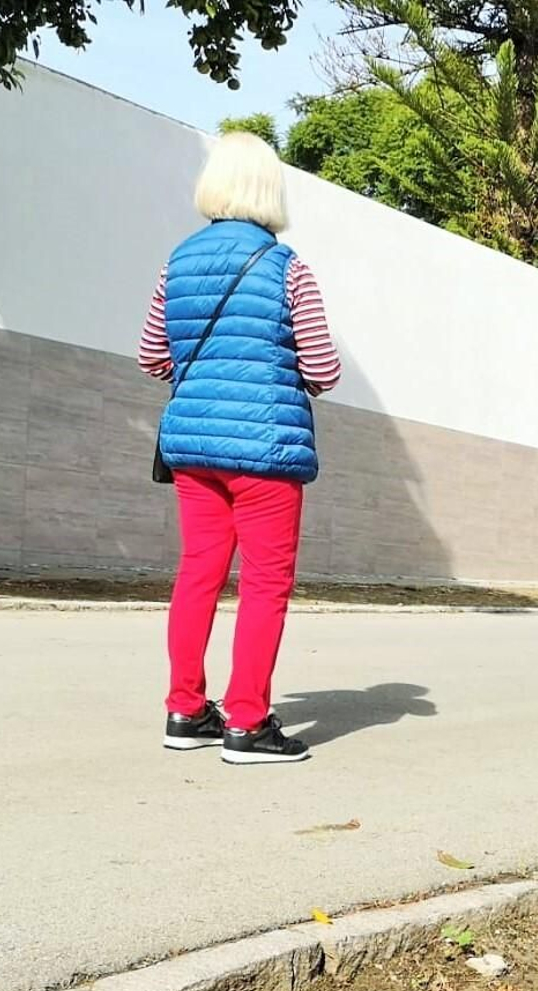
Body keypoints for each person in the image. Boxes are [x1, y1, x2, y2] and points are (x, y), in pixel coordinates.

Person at [138, 131, 342, 764]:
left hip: (194, 447)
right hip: (266, 448)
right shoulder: (287, 268)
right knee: (263, 583)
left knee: (198, 571)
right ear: (269, 189)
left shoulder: (177, 262)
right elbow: (325, 369)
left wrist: (204, 382)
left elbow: (151, 356)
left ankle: (185, 708)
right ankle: (247, 724)